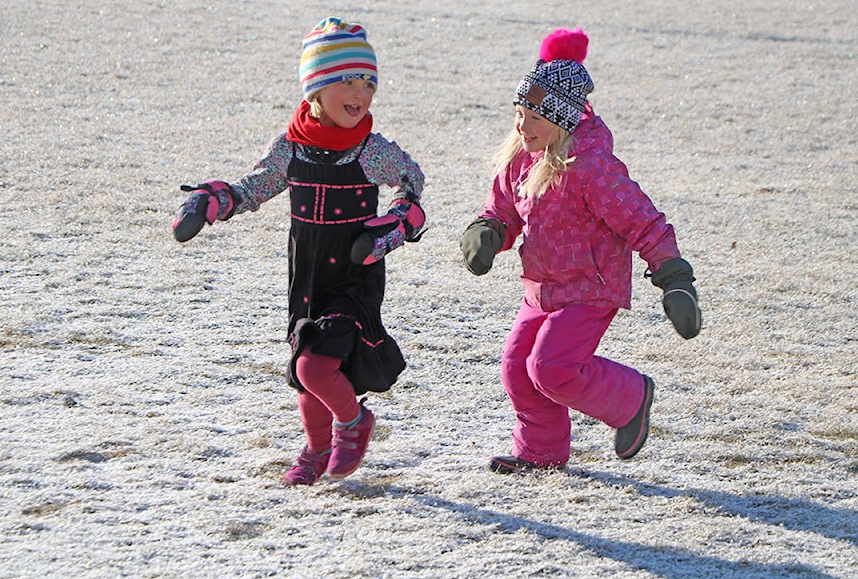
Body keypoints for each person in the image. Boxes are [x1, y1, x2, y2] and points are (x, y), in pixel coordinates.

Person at [172, 17, 426, 485]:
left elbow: (412, 183)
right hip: (308, 274)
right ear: (316, 88)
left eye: (369, 81)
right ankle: (316, 446)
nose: (361, 92)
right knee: (305, 372)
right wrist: (213, 201)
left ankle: (353, 423)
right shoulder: (292, 149)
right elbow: (256, 186)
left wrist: (396, 222)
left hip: (354, 271)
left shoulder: (371, 151)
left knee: (315, 364)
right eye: (347, 80)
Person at [459, 28, 701, 474]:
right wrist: (488, 231)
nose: (522, 126)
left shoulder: (592, 168)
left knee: (551, 368)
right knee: (517, 368)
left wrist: (674, 278)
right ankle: (542, 453)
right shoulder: (522, 158)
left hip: (591, 288)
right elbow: (504, 208)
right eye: (519, 113)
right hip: (542, 287)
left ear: (563, 119)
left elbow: (643, 220)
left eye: (534, 118)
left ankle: (631, 399)